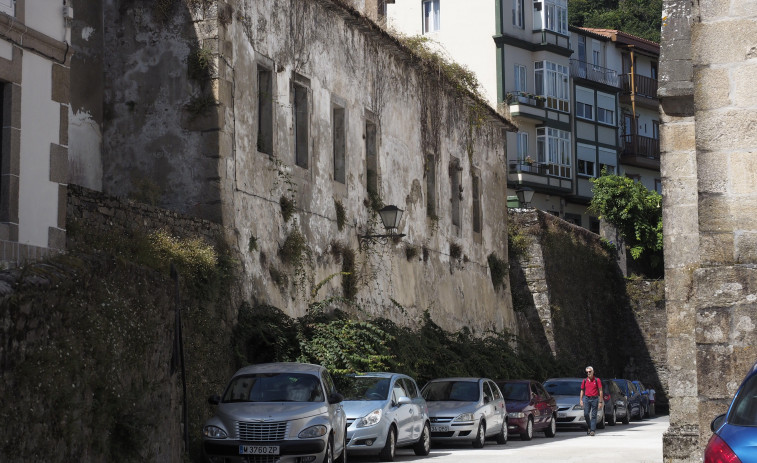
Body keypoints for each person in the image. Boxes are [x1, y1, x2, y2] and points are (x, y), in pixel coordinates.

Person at [579, 366, 603, 436]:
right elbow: (582, 390)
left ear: (593, 372)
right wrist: (581, 400)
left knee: (593, 415)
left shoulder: (597, 380)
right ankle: (590, 426)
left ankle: (592, 430)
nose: (588, 373)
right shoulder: (584, 381)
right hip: (587, 398)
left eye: (590, 372)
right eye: (587, 372)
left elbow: (601, 391)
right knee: (586, 414)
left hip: (595, 399)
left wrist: (600, 402)